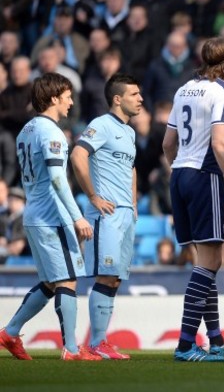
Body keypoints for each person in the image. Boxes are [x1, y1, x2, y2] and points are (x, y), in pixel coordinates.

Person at [162, 37, 224, 362]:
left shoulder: (184, 88)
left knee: (204, 261)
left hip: (180, 174)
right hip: (205, 175)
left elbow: (168, 143)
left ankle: (215, 340)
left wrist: (180, 168)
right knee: (211, 261)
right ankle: (186, 343)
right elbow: (220, 144)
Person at [0, 73, 98, 361]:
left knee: (50, 283)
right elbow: (57, 180)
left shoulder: (25, 131)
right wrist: (77, 216)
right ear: (54, 98)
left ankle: (10, 332)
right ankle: (70, 349)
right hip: (52, 216)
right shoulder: (52, 131)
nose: (71, 101)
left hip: (33, 213)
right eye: (67, 95)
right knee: (67, 280)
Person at [69, 73, 143, 360]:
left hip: (125, 214)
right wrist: (93, 197)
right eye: (134, 94)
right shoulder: (100, 125)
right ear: (117, 98)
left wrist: (134, 202)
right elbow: (77, 156)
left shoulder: (130, 131)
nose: (140, 99)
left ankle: (101, 342)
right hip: (106, 214)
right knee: (105, 275)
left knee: (115, 279)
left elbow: (132, 168)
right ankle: (96, 342)